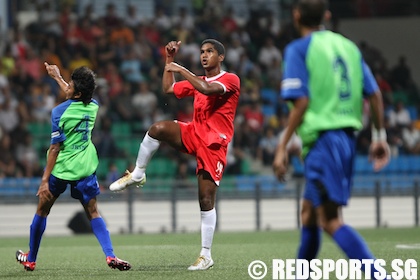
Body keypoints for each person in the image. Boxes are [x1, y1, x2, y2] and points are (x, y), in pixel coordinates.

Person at [272, 0, 390, 279]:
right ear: (326, 15)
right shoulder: (348, 47)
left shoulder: (298, 50)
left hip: (324, 141)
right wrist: (379, 136)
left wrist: (282, 146)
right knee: (308, 213)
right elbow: (373, 94)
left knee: (330, 219)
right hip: (346, 138)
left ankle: (381, 276)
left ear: (296, 15)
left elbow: (301, 102)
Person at [109, 39, 240, 270]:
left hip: (213, 145)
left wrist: (180, 69)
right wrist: (169, 61)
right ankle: (138, 174)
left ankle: (206, 255)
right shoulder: (197, 79)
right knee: (157, 129)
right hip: (194, 133)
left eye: (209, 52)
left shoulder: (230, 79)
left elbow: (206, 88)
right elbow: (168, 88)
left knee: (205, 200)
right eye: (201, 52)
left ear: (221, 57)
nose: (204, 55)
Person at [15, 63, 131, 272]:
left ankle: (31, 259)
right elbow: (73, 97)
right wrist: (58, 77)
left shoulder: (58, 112)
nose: (66, 86)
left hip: (60, 170)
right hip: (85, 168)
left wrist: (44, 180)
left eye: (69, 84)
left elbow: (54, 149)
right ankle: (110, 255)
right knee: (93, 212)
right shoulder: (94, 106)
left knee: (42, 210)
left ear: (76, 93)